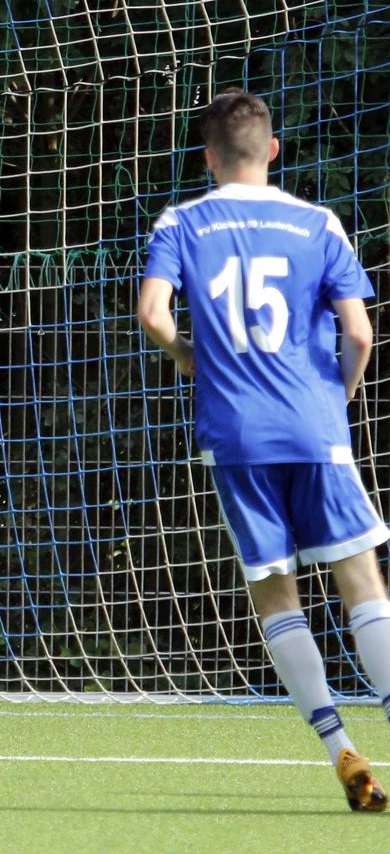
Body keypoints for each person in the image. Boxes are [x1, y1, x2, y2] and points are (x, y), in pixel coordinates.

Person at [137, 88, 390, 812]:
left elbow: (152, 314)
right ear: (273, 150)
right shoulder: (319, 222)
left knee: (275, 593)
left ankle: (340, 747)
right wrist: (332, 403)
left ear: (208, 156)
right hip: (315, 426)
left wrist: (188, 356)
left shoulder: (181, 221)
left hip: (237, 434)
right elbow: (363, 335)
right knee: (361, 582)